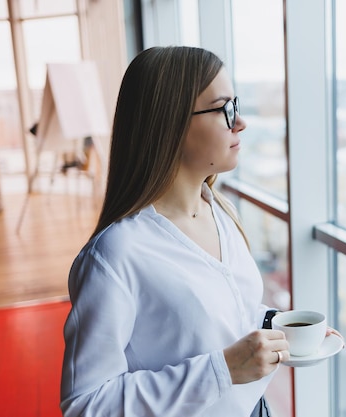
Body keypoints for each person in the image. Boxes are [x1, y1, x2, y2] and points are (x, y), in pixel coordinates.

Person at [60, 45, 292, 417]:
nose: (240, 122)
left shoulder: (219, 209)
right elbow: (85, 404)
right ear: (171, 123)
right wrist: (224, 370)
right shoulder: (116, 255)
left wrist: (283, 330)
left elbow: (228, 314)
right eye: (224, 108)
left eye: (237, 104)